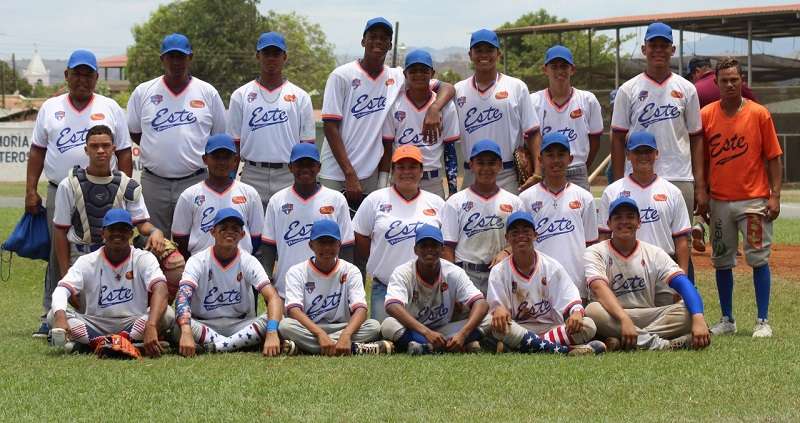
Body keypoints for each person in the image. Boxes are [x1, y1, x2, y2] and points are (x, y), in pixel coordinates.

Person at [26, 49, 133, 338]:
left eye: (88, 74)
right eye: (77, 73)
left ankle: (103, 309)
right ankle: (51, 312)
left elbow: (123, 152)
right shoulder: (50, 107)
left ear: (96, 77)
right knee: (57, 251)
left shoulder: (110, 107)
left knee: (105, 248)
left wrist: (123, 191)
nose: (82, 79)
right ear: (66, 76)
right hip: (60, 188)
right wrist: (30, 190)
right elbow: (37, 150)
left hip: (104, 189)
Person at [320, 17, 455, 207]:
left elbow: (447, 87)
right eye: (372, 36)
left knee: (366, 232)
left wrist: (434, 108)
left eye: (384, 38)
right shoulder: (342, 75)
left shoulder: (397, 76)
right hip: (336, 171)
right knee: (331, 231)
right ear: (363, 41)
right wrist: (349, 173)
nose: (378, 41)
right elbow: (330, 127)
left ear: (390, 44)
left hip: (371, 173)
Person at [700, 58, 783, 338]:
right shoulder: (707, 115)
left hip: (754, 201)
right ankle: (727, 318)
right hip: (720, 201)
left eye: (735, 79)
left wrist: (776, 195)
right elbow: (702, 158)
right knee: (722, 260)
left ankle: (762, 320)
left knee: (758, 258)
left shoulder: (759, 114)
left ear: (742, 80)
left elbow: (773, 157)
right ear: (717, 83)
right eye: (724, 80)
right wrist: (703, 191)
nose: (730, 84)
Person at [610, 22, 706, 250]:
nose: (659, 50)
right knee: (637, 243)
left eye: (664, 45)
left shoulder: (687, 89)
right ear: (644, 49)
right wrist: (616, 183)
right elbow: (617, 138)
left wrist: (700, 185)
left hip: (679, 175)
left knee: (681, 243)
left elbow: (696, 137)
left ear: (673, 50)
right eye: (653, 45)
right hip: (636, 177)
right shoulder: (628, 89)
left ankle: (682, 286)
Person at [127, 33, 227, 237]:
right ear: (162, 59)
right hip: (154, 182)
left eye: (181, 56)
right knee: (153, 243)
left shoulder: (207, 92)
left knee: (196, 241)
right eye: (170, 56)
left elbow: (217, 137)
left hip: (195, 179)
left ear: (190, 58)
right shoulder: (143, 91)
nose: (176, 62)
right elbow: (136, 133)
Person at [584, 197, 711, 351]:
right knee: (592, 311)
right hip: (612, 316)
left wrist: (698, 317)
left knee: (688, 311)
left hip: (648, 314)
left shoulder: (654, 252)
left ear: (639, 223)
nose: (624, 221)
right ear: (609, 224)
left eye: (630, 217)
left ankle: (624, 340)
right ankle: (660, 344)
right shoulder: (595, 252)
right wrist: (624, 319)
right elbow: (599, 288)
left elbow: (683, 283)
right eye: (618, 217)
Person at [47, 209, 173, 357]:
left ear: (131, 234)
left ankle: (90, 346)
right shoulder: (87, 261)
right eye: (112, 229)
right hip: (95, 323)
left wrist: (151, 325)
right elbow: (62, 289)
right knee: (53, 315)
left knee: (168, 314)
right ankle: (128, 344)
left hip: (133, 321)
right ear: (103, 233)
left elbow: (161, 288)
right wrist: (61, 317)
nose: (117, 233)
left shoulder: (143, 258)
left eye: (123, 229)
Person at [52, 125, 165, 278]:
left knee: (173, 260)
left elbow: (141, 223)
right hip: (80, 256)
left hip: (117, 254)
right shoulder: (69, 184)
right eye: (94, 146)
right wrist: (65, 273)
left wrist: (155, 231)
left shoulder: (128, 185)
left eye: (105, 146)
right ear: (86, 150)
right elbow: (60, 230)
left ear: (113, 149)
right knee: (87, 302)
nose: (100, 150)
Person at [485, 211, 605, 355]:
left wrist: (577, 313)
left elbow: (571, 299)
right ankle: (565, 351)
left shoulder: (551, 266)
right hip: (517, 327)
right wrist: (499, 309)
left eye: (526, 231)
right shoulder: (499, 271)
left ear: (535, 235)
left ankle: (522, 347)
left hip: (550, 328)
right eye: (515, 233)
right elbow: (497, 309)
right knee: (498, 327)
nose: (521, 236)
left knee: (588, 325)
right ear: (507, 238)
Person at [174, 208, 285, 356]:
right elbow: (183, 297)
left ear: (242, 234)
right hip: (204, 324)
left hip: (240, 324)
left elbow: (273, 298)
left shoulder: (248, 261)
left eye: (235, 229)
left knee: (277, 319)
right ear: (213, 232)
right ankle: (235, 344)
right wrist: (186, 331)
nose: (229, 232)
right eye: (223, 228)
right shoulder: (197, 260)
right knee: (176, 324)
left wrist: (271, 332)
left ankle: (216, 347)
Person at [353, 145, 445, 321]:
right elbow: (360, 237)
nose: (406, 172)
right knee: (386, 334)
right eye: (401, 167)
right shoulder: (375, 199)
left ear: (421, 171)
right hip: (385, 286)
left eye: (412, 167)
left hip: (426, 288)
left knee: (429, 333)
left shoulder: (436, 203)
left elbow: (445, 244)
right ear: (392, 170)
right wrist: (380, 258)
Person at [228, 31, 316, 209]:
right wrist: (230, 180)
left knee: (285, 230)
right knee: (250, 231)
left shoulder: (300, 96)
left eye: (276, 53)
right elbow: (234, 145)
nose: (271, 58)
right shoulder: (241, 95)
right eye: (266, 53)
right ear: (257, 56)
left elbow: (307, 146)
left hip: (288, 173)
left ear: (284, 57)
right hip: (252, 172)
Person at [279, 220, 391, 355]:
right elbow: (294, 311)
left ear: (339, 245)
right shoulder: (297, 271)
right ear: (311, 245)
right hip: (310, 328)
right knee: (285, 326)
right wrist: (320, 334)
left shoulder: (350, 270)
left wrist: (346, 335)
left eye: (331, 242)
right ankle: (355, 349)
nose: (327, 248)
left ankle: (305, 348)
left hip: (342, 327)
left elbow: (361, 309)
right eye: (321, 242)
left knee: (373, 326)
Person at [454, 29, 541, 194]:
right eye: (478, 50)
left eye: (489, 50)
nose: (484, 54)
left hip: (508, 173)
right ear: (470, 54)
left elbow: (533, 131)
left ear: (498, 53)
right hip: (472, 172)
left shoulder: (516, 86)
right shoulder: (458, 90)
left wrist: (538, 170)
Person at [599, 132, 692, 286]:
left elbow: (681, 240)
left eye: (647, 151)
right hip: (623, 267)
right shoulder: (612, 191)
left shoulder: (672, 192)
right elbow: (603, 236)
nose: (643, 156)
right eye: (637, 152)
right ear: (628, 155)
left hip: (664, 267)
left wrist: (683, 279)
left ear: (656, 154)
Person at [262, 143, 354, 297]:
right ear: (290, 167)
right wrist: (268, 281)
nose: (305, 168)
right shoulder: (277, 201)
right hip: (287, 290)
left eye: (310, 164)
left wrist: (347, 282)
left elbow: (347, 246)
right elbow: (269, 246)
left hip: (329, 291)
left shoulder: (336, 199)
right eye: (299, 164)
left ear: (319, 167)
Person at [381, 224, 489, 355]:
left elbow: (481, 303)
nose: (429, 250)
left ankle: (426, 348)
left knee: (489, 319)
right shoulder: (403, 272)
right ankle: (442, 347)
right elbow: (392, 306)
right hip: (415, 329)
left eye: (434, 245)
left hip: (443, 329)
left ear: (442, 249)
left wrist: (463, 334)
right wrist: (426, 332)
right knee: (388, 325)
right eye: (424, 245)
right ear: (415, 250)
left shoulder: (453, 272)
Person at [686, 56, 756, 252]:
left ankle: (699, 224)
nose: (729, 84)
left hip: (704, 151)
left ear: (696, 71)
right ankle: (733, 238)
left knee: (706, 193)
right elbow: (753, 104)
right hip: (733, 149)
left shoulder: (694, 88)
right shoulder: (734, 83)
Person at [519, 133, 599, 302]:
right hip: (538, 282)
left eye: (561, 155)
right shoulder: (525, 199)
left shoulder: (584, 198)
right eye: (550, 155)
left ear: (570, 159)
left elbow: (591, 246)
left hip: (575, 282)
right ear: (540, 159)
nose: (556, 160)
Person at [441, 139, 522, 294]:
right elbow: (447, 249)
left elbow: (523, 239)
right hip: (466, 274)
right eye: (480, 162)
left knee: (502, 318)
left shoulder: (514, 202)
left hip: (501, 273)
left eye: (491, 163)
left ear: (500, 165)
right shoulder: (455, 202)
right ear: (471, 165)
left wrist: (507, 251)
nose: (486, 168)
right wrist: (451, 284)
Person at [381, 49, 460, 198]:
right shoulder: (395, 104)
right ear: (405, 74)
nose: (418, 74)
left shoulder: (446, 106)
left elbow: (450, 151)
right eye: (413, 70)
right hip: (401, 177)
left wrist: (453, 190)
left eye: (424, 70)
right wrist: (382, 185)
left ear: (432, 73)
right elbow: (387, 149)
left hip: (432, 180)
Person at [172, 134, 264, 259]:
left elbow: (257, 238)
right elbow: (180, 238)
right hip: (201, 266)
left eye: (226, 157)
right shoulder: (189, 195)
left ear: (235, 160)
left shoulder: (250, 193)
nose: (221, 162)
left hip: (241, 267)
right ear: (205, 159)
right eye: (216, 157)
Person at [530, 45, 603, 191]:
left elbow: (595, 139)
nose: (559, 71)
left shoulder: (587, 99)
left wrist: (583, 165)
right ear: (545, 70)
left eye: (564, 66)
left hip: (576, 168)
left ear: (572, 69)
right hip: (545, 170)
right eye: (554, 66)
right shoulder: (533, 101)